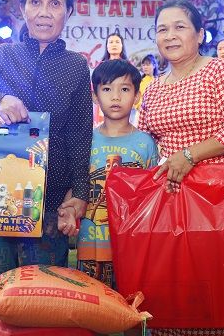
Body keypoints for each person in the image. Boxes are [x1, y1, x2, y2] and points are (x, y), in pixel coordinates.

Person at [0, 0, 93, 329]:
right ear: (22, 9)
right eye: (36, 2)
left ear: (68, 12)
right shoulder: (1, 57)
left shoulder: (77, 66)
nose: (44, 12)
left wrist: (80, 192)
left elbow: (80, 135)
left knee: (44, 293)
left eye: (55, 3)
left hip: (49, 198)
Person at [138, 0, 224, 336]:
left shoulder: (221, 71)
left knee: (215, 276)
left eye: (180, 27)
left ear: (200, 34)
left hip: (217, 194)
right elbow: (145, 139)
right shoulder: (154, 88)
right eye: (162, 29)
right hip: (167, 195)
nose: (170, 35)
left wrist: (188, 155)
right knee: (170, 277)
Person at [76, 59, 159, 290]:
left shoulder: (146, 143)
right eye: (106, 89)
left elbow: (152, 195)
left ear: (136, 96)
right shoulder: (85, 140)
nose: (115, 97)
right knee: (92, 297)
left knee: (130, 297)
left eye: (124, 89)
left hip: (133, 240)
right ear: (95, 96)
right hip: (91, 237)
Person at [131, 54, 158, 126]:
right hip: (140, 113)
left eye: (148, 65)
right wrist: (138, 107)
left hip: (155, 114)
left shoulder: (159, 81)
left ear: (154, 66)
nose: (145, 67)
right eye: (143, 65)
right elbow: (134, 97)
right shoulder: (140, 81)